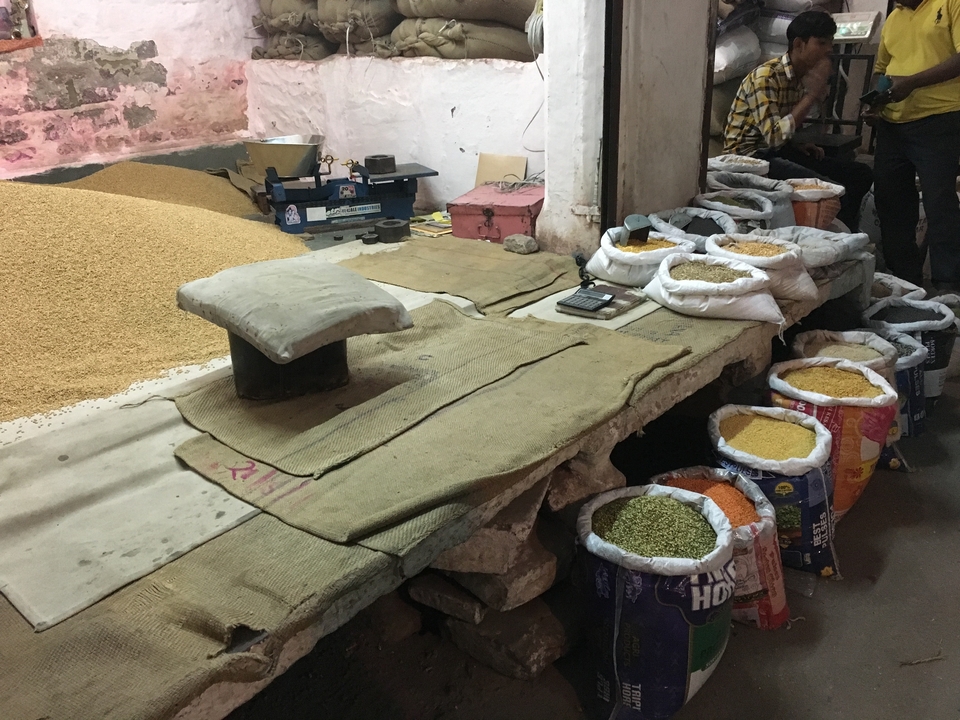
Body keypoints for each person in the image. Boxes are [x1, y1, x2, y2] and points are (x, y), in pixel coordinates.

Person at [723, 11, 874, 231]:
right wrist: (811, 95)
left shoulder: (801, 76)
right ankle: (831, 239)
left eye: (830, 43)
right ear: (799, 44)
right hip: (749, 158)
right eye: (821, 42)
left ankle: (845, 236)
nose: (828, 49)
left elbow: (784, 128)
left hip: (775, 150)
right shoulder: (766, 77)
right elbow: (773, 137)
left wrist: (798, 144)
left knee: (860, 173)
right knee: (833, 190)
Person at [868, 0, 960, 291]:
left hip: (939, 120)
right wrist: (875, 102)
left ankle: (948, 284)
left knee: (939, 203)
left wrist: (912, 83)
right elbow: (882, 70)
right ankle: (905, 278)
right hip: (893, 124)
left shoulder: (950, 4)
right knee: (891, 202)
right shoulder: (894, 18)